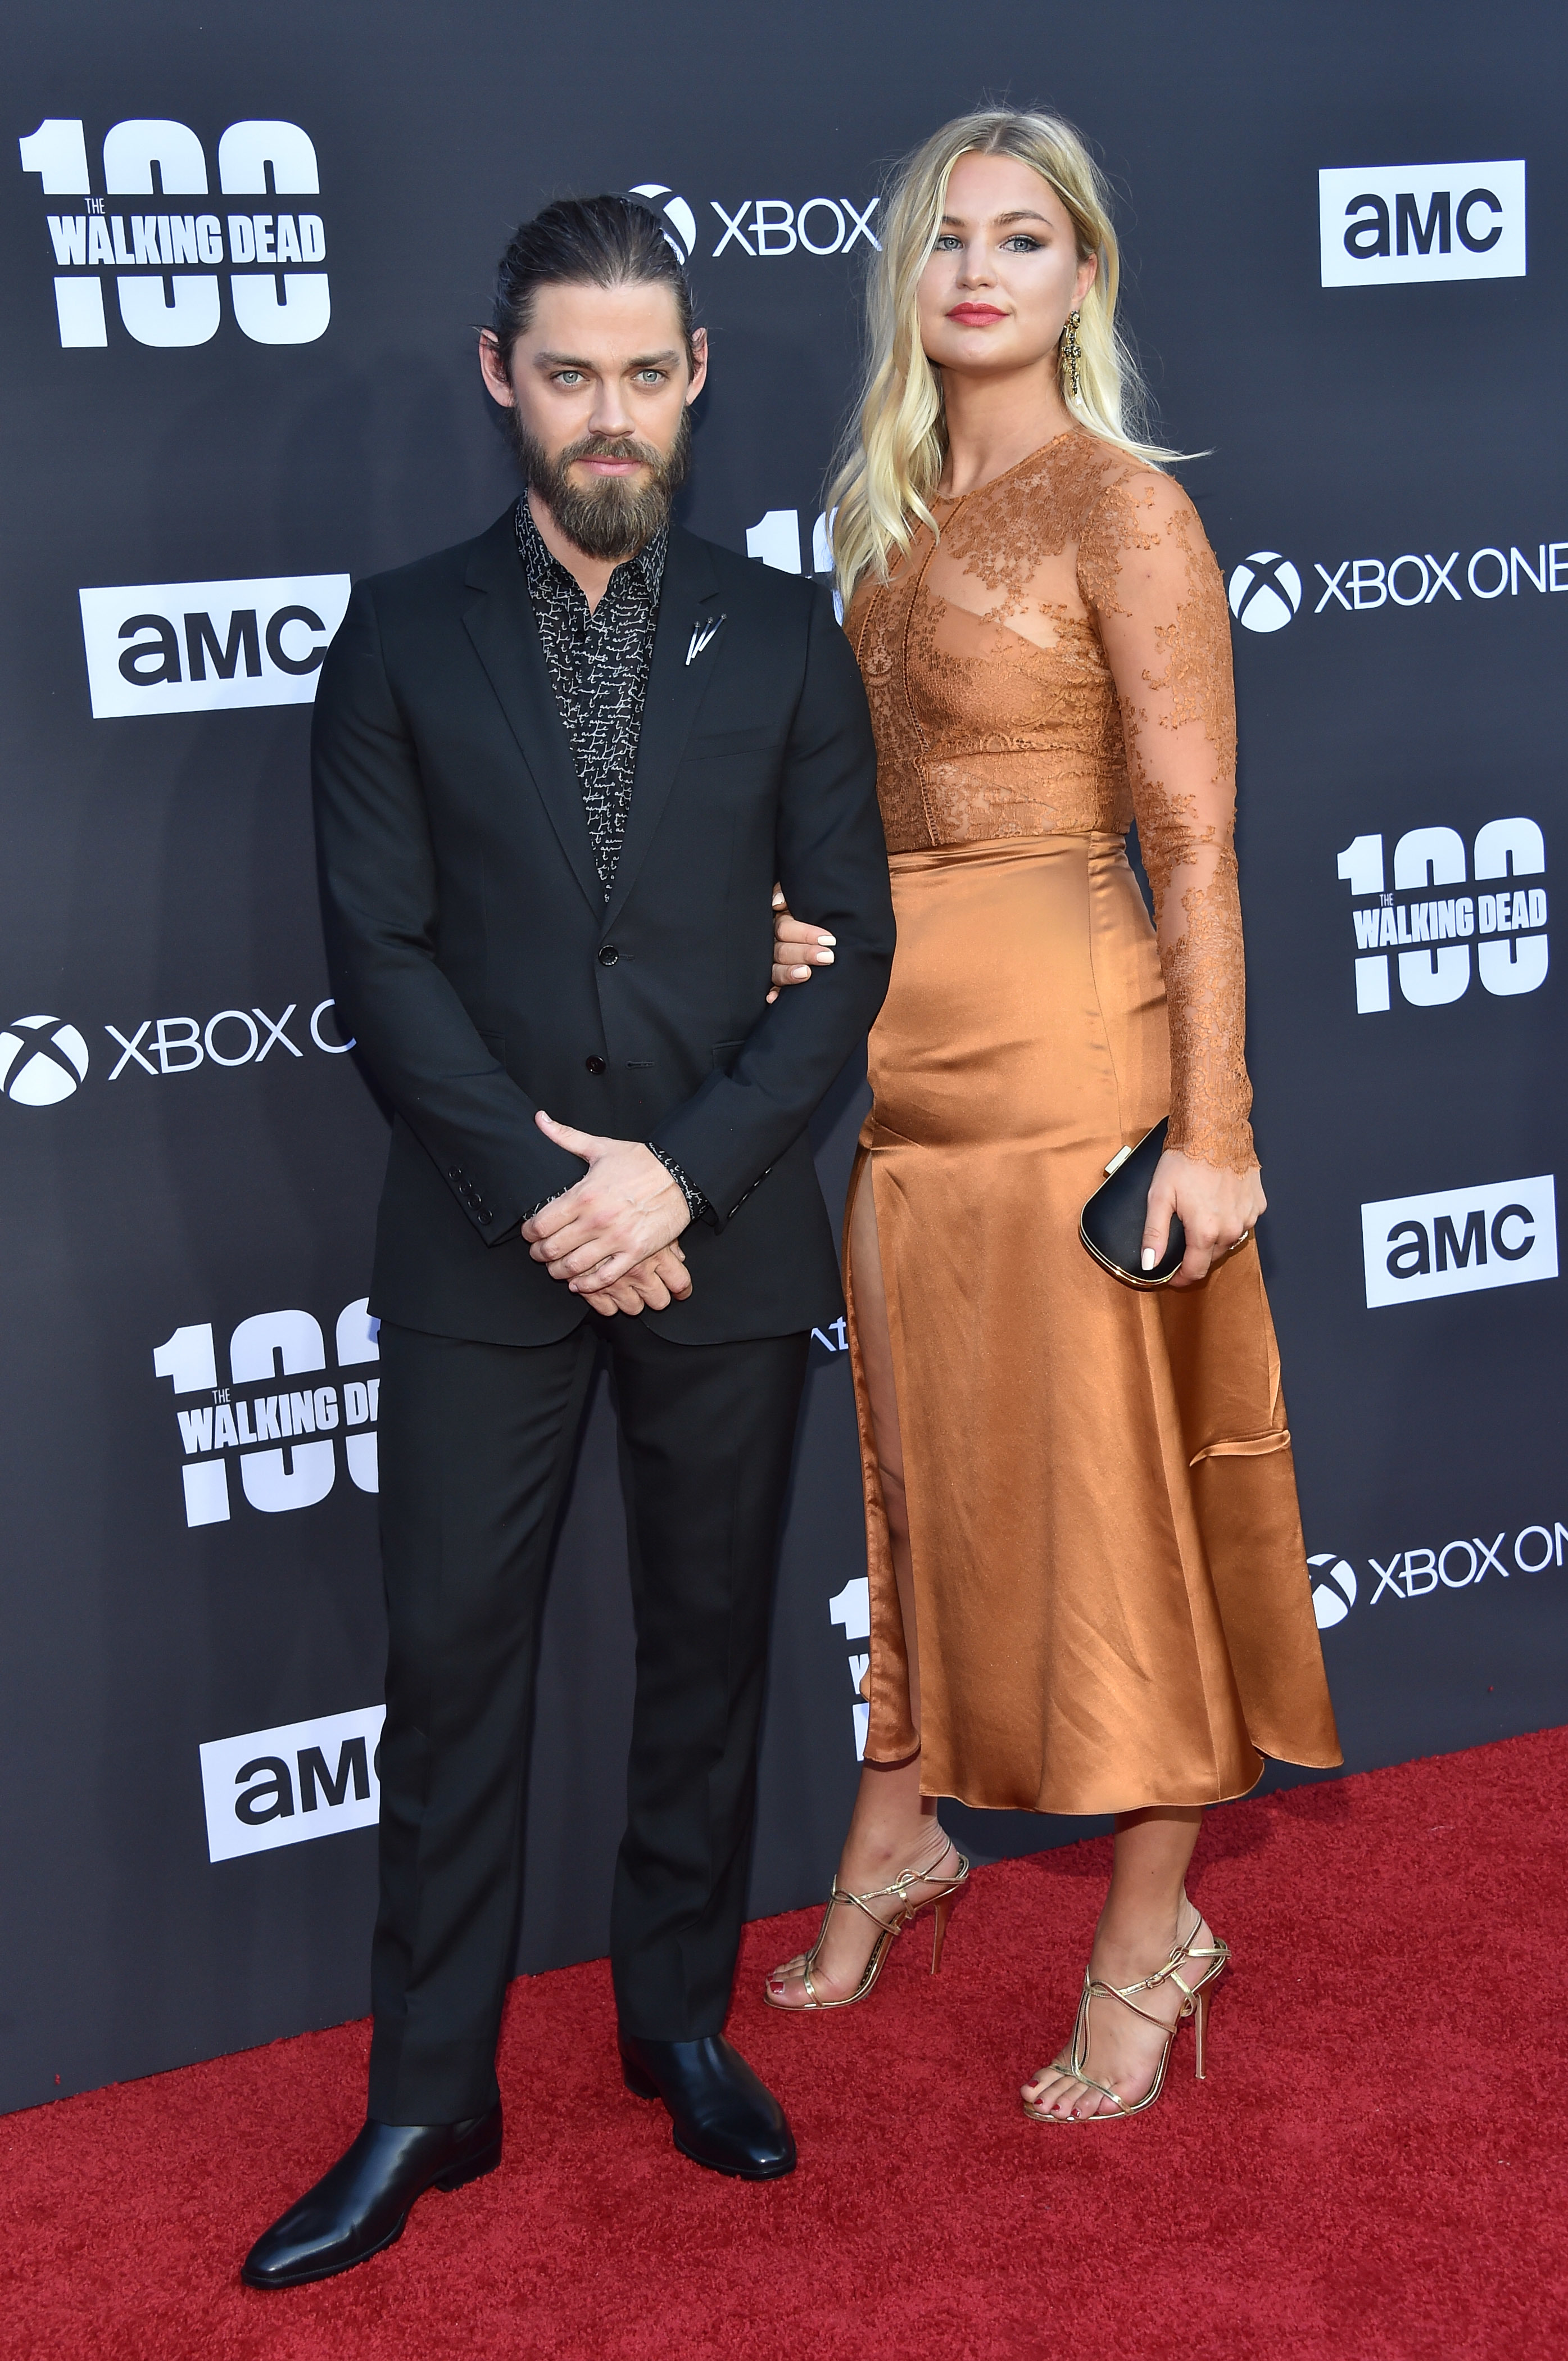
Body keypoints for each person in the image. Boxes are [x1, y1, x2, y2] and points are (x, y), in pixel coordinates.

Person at [242, 195, 893, 2288]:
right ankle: (429, 2091)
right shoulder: (395, 635)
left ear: (696, 378)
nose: (609, 414)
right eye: (567, 374)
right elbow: (382, 962)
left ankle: (676, 2019)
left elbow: (847, 952)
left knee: (706, 1652)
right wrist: (554, 1200)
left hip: (722, 1235)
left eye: (643, 373)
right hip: (480, 1246)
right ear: (501, 380)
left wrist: (672, 1183)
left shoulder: (785, 635)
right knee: (450, 1673)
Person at [762, 111, 1340, 2123]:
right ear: (904, 278)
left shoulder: (1125, 509)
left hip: (1080, 1067)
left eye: (1023, 238)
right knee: (923, 1484)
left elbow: (1196, 842)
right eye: (947, 238)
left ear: (1084, 274)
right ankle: (901, 1826)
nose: (979, 272)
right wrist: (792, 929)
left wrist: (1213, 1128)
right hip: (901, 1080)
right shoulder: (885, 514)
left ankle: (1150, 1933)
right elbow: (866, 820)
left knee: (1112, 1508)